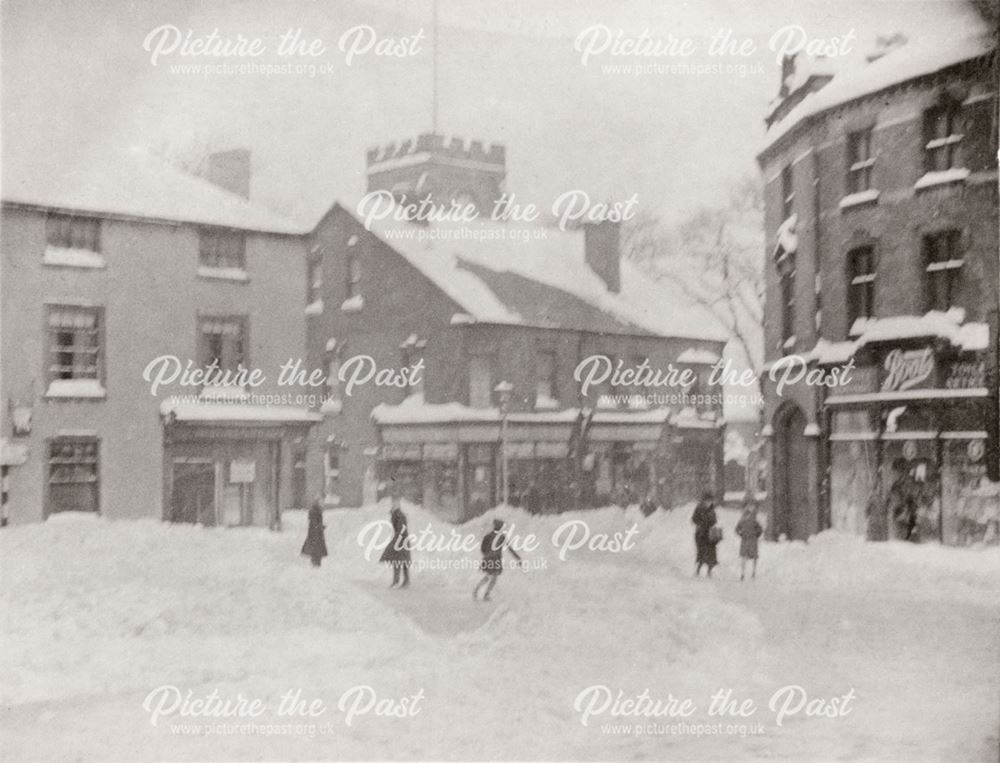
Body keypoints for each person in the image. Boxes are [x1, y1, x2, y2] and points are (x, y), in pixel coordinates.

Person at [474, 519, 522, 601]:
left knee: (489, 576)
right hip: (495, 559)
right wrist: (517, 558)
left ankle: (477, 590)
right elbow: (509, 548)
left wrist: (486, 555)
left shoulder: (488, 536)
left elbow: (482, 549)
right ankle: (485, 594)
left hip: (488, 559)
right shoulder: (501, 537)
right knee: (493, 577)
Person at [379, 498, 411, 588]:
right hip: (401, 540)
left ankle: (399, 581)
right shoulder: (397, 515)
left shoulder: (399, 516)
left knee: (399, 561)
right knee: (401, 561)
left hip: (401, 540)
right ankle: (404, 581)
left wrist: (395, 541)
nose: (392, 507)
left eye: (394, 505)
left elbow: (401, 530)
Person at [692, 492, 719, 577]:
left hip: (709, 533)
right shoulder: (699, 508)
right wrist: (701, 523)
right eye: (708, 501)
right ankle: (698, 571)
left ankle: (709, 571)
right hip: (701, 533)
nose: (710, 502)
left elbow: (714, 520)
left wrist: (712, 522)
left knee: (711, 553)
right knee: (702, 552)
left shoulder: (712, 509)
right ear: (704, 501)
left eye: (711, 501)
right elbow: (694, 519)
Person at [735, 502, 764, 580]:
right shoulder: (742, 520)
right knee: (744, 557)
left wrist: (756, 535)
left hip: (751, 540)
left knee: (753, 557)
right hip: (746, 540)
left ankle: (753, 572)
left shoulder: (754, 520)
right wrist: (741, 534)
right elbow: (737, 529)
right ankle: (743, 573)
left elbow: (760, 529)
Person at [300, 497, 328, 568]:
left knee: (315, 549)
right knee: (316, 549)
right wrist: (320, 527)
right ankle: (316, 564)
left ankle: (315, 563)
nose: (322, 504)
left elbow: (314, 522)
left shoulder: (315, 510)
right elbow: (315, 522)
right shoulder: (316, 511)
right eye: (321, 502)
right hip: (316, 534)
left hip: (314, 533)